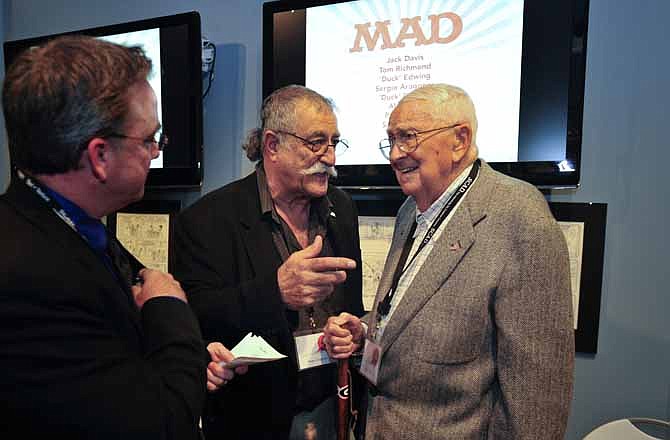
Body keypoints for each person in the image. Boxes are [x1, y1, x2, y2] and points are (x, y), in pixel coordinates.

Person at [0, 35, 242, 440]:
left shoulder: (67, 226)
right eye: (149, 139)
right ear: (99, 157)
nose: (155, 152)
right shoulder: (31, 280)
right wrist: (169, 308)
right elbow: (160, 423)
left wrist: (184, 354)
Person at [324, 84, 574, 439]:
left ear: (460, 140)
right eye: (391, 139)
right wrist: (365, 331)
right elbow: (408, 309)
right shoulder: (410, 209)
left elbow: (537, 398)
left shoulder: (520, 219)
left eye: (408, 138)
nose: (395, 154)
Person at [173, 84, 364, 439]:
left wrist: (352, 330)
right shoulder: (208, 219)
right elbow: (195, 315)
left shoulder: (342, 209)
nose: (331, 157)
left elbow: (352, 303)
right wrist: (274, 292)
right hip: (256, 418)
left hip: (331, 406)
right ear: (273, 145)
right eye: (316, 142)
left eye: (334, 142)